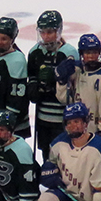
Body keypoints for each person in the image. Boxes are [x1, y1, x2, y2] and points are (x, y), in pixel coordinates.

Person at [55, 34, 101, 149]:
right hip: (78, 135)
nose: (91, 56)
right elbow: (64, 99)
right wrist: (62, 81)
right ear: (81, 54)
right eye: (87, 53)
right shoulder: (76, 72)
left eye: (94, 52)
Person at [26, 10, 79, 154]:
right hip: (42, 118)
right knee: (46, 155)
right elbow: (31, 79)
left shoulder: (69, 53)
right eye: (42, 32)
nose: (46, 36)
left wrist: (55, 80)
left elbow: (76, 87)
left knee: (64, 156)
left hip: (63, 118)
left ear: (59, 31)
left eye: (50, 32)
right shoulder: (35, 52)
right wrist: (35, 88)